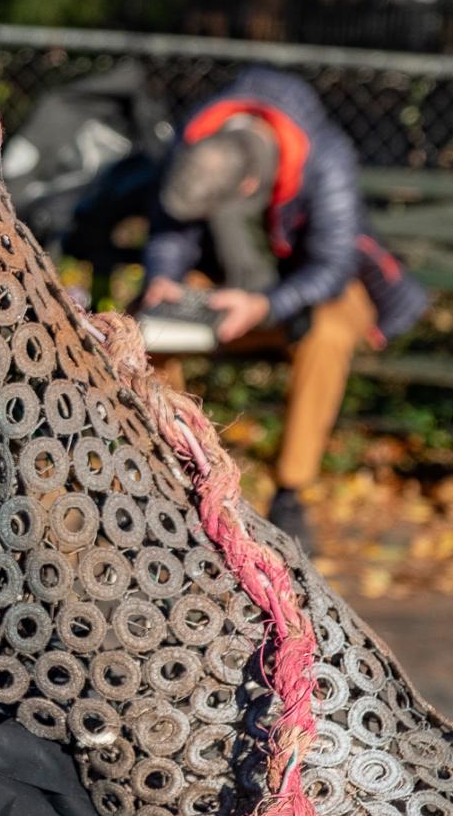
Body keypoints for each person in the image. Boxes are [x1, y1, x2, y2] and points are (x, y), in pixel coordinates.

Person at [142, 67, 429, 550]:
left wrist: (266, 304)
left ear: (250, 185)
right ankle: (173, 470)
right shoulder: (197, 141)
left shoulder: (325, 157)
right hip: (228, 291)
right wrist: (162, 280)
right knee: (148, 330)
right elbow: (171, 228)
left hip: (312, 289)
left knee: (330, 335)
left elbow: (334, 265)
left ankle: (291, 495)